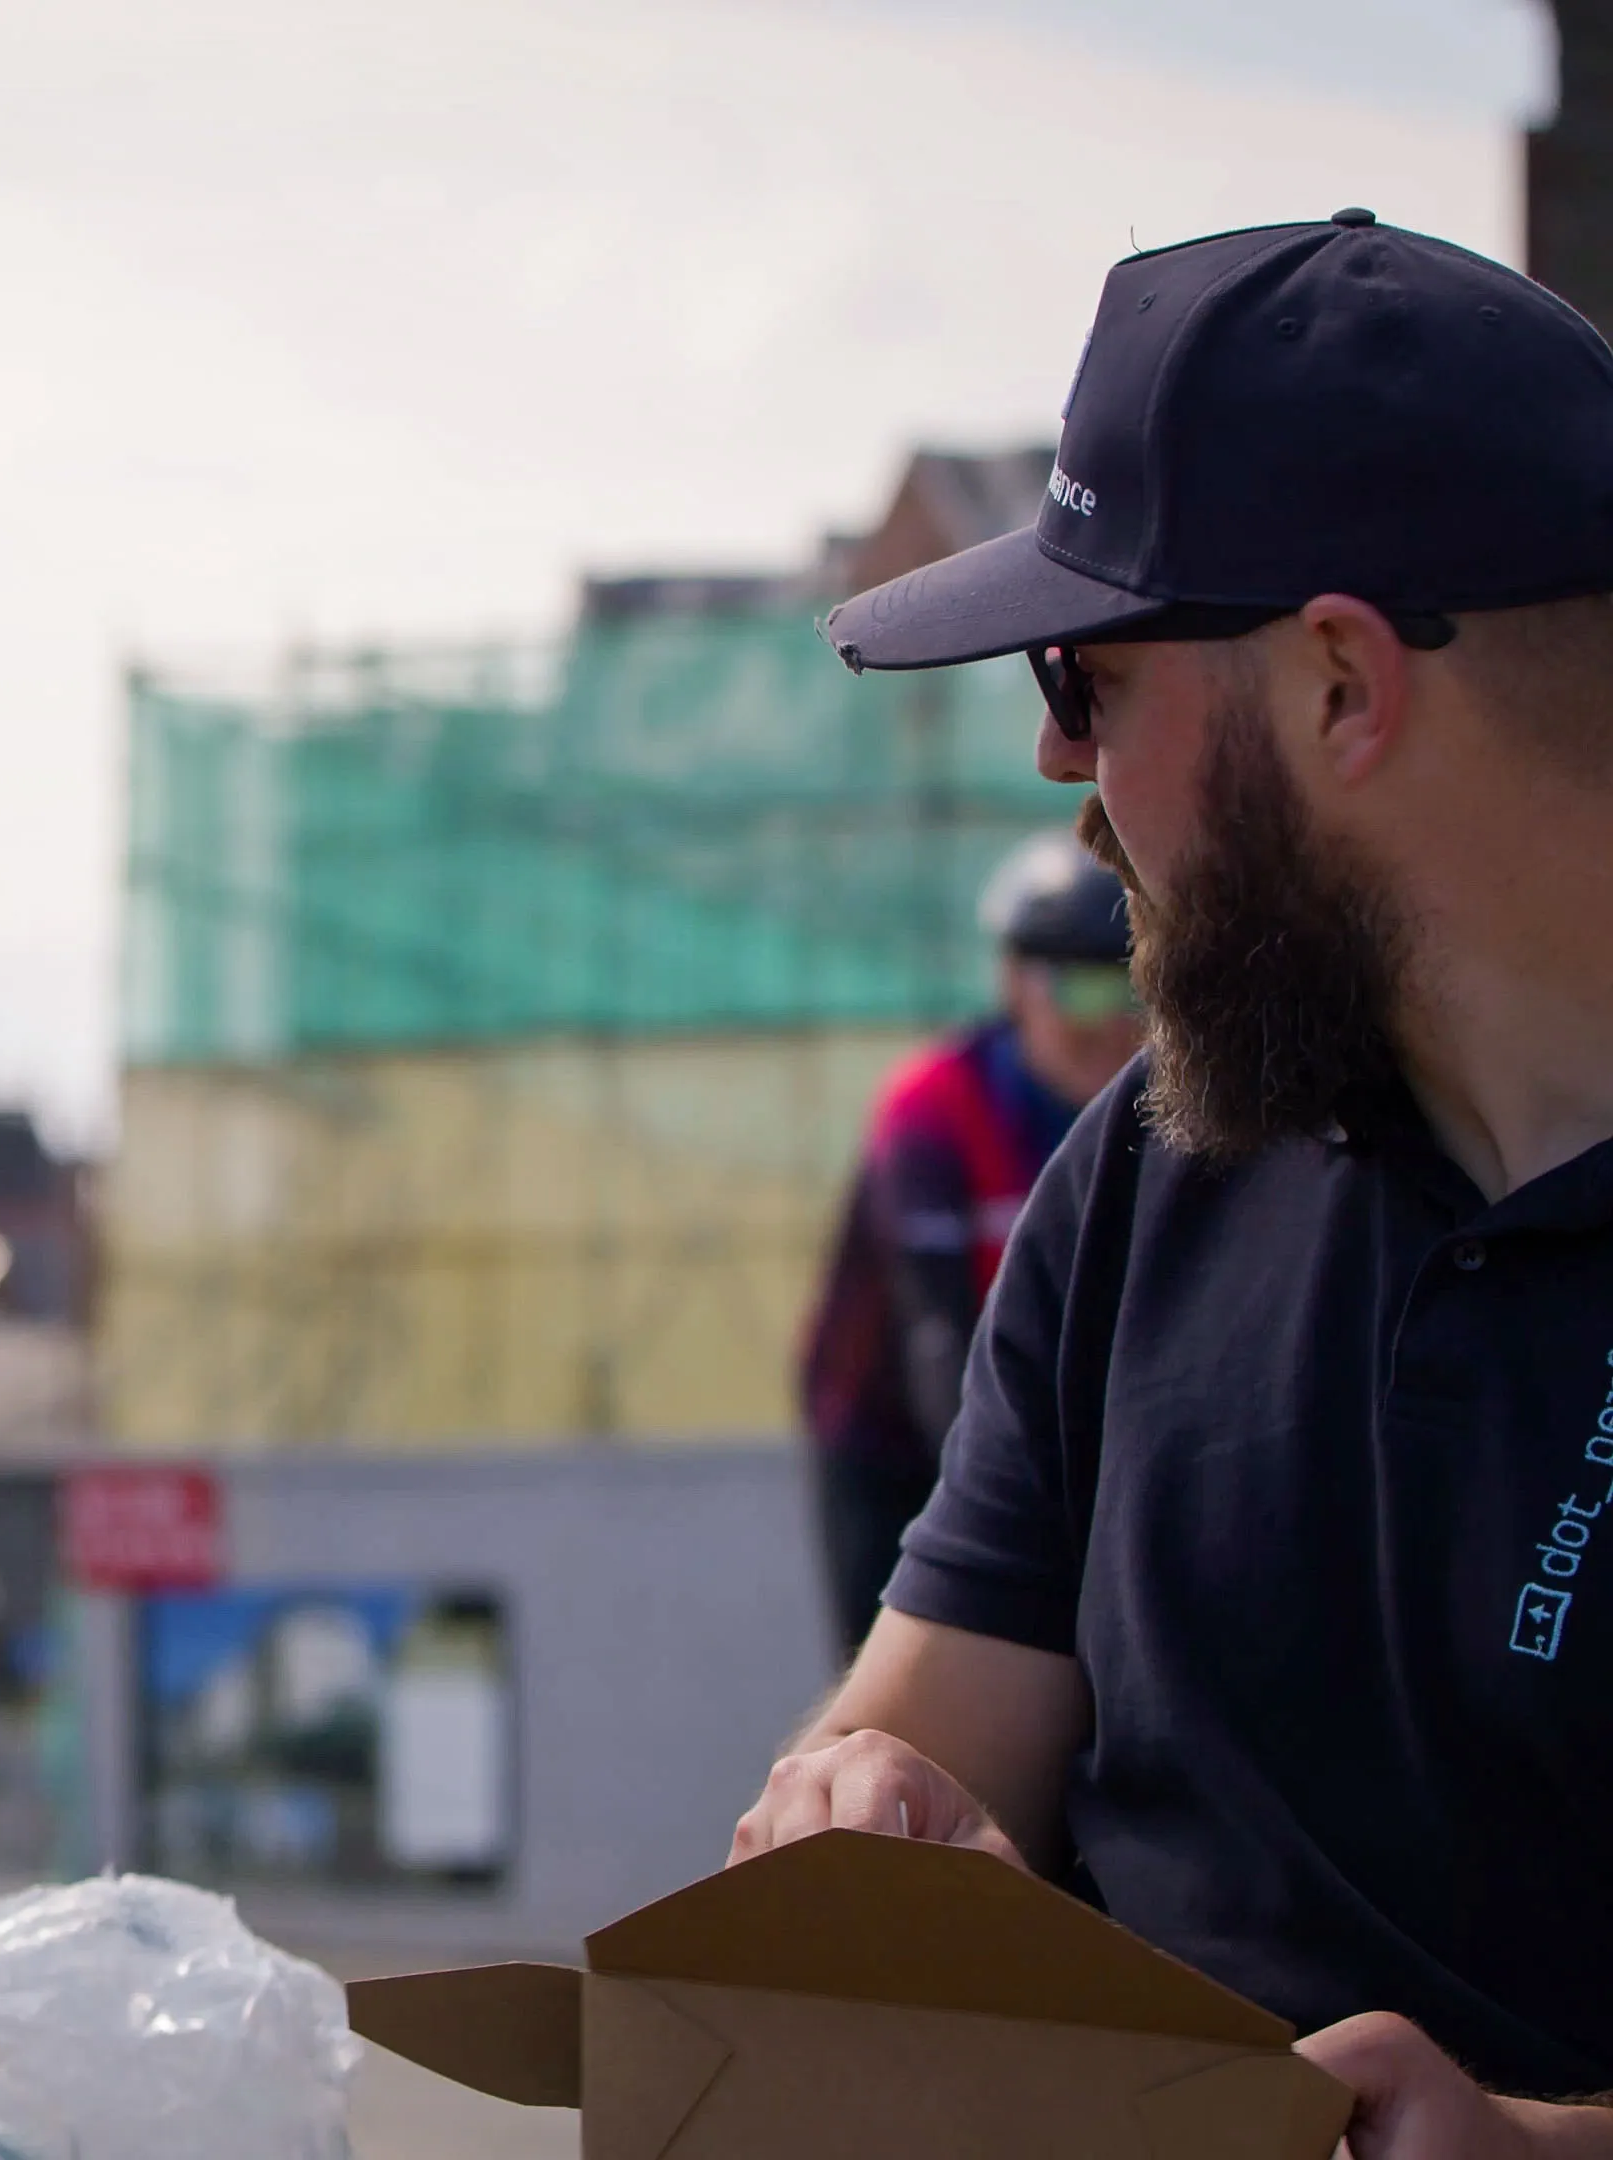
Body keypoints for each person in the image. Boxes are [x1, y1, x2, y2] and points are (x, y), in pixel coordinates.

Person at [743, 210, 1613, 2157]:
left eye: (1087, 674)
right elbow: (908, 1733)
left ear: (1337, 688)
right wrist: (862, 1804)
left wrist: (1540, 2149)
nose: (1060, 767)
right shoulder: (1146, 1176)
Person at [797, 833, 1138, 1649]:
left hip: (1043, 1431)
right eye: (1080, 992)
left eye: (1133, 989)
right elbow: (935, 1338)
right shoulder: (934, 1108)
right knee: (899, 1700)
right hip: (892, 1445)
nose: (1111, 1024)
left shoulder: (1159, 1107)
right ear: (1016, 984)